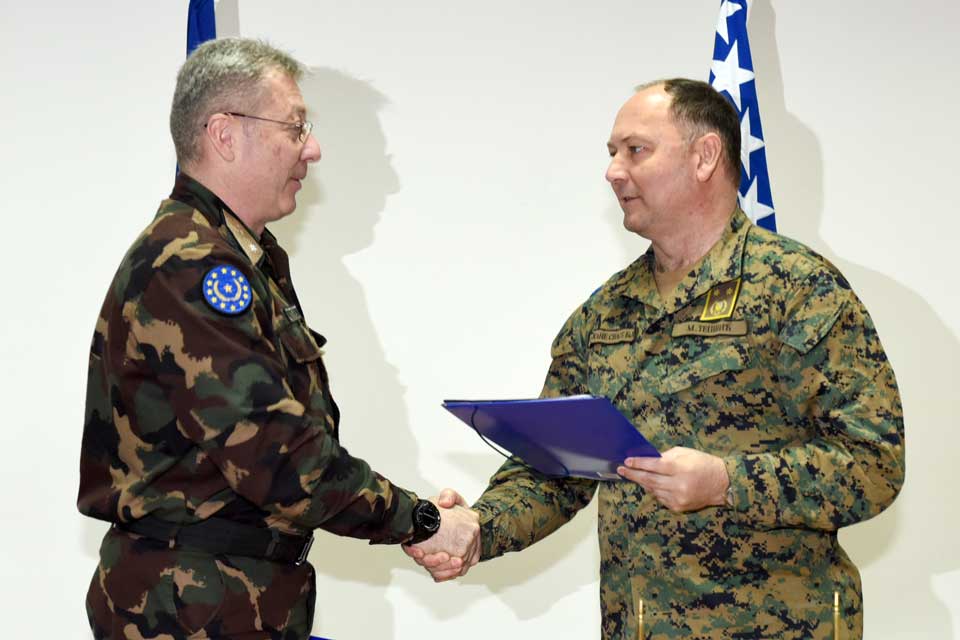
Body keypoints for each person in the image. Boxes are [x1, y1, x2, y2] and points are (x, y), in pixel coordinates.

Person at [407, 79, 905, 639]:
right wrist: (477, 526)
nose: (614, 171)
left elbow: (873, 465)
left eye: (635, 150)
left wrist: (726, 481)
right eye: (612, 153)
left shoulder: (798, 290)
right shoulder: (605, 314)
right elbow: (553, 465)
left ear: (704, 157)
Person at [77, 37, 479, 640]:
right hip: (189, 608)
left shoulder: (244, 259)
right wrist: (420, 521)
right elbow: (279, 459)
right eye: (295, 127)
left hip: (229, 597)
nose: (311, 149)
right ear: (225, 134)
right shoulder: (192, 265)